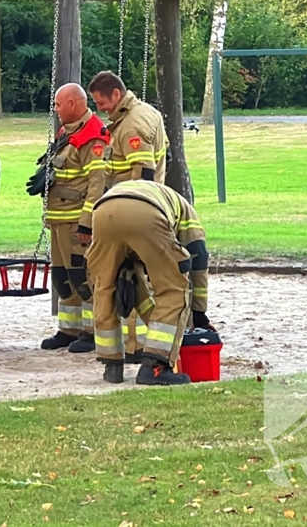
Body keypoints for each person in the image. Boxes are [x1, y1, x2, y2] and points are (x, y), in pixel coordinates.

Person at [86, 179, 214, 386]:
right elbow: (197, 260)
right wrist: (199, 313)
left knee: (105, 285)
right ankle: (155, 367)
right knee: (173, 289)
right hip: (146, 214)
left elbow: (139, 277)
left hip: (103, 211)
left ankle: (112, 365)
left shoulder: (156, 193)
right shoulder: (188, 214)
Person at [87, 71, 170, 362]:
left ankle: (133, 346)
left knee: (125, 278)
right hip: (142, 210)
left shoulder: (132, 124)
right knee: (137, 277)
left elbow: (143, 173)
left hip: (132, 210)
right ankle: (139, 344)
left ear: (115, 95)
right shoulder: (141, 114)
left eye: (101, 102)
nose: (99, 109)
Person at [26, 83, 107, 352]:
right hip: (59, 220)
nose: (55, 109)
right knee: (62, 278)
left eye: (59, 104)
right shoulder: (67, 131)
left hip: (76, 223)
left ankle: (91, 331)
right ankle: (68, 329)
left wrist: (87, 222)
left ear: (73, 103)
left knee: (82, 277)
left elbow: (97, 183)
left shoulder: (92, 136)